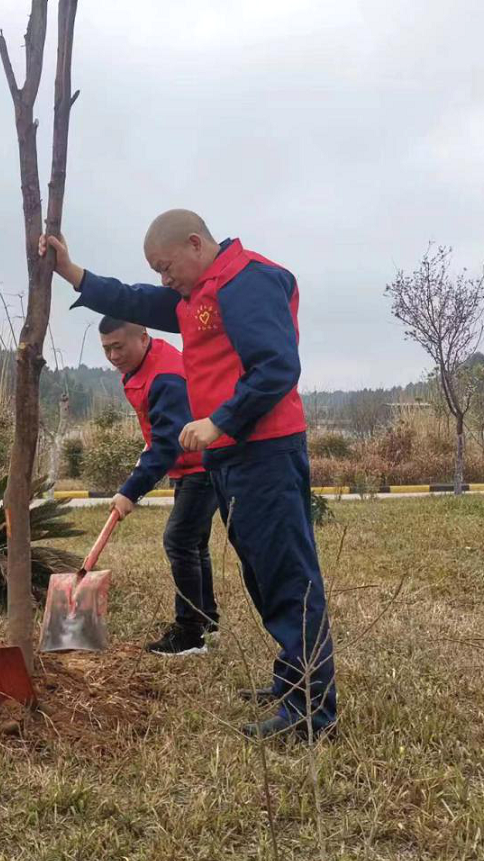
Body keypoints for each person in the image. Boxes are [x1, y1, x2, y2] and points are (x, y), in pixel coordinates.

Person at [40, 211, 337, 741]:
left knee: (287, 577)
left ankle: (312, 711)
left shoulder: (245, 281)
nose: (163, 279)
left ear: (195, 244)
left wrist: (220, 421)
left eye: (166, 266)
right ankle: (293, 678)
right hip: (232, 458)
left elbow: (276, 367)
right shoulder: (199, 294)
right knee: (262, 575)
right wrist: (73, 273)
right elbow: (134, 300)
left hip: (263, 452)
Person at [96, 316, 219, 656]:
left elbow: (168, 444)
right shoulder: (143, 367)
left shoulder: (166, 376)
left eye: (118, 347)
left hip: (204, 465)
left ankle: (190, 635)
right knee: (194, 544)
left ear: (143, 337)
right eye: (106, 349)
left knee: (179, 540)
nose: (113, 356)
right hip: (190, 465)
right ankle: (207, 622)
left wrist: (130, 491)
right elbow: (161, 433)